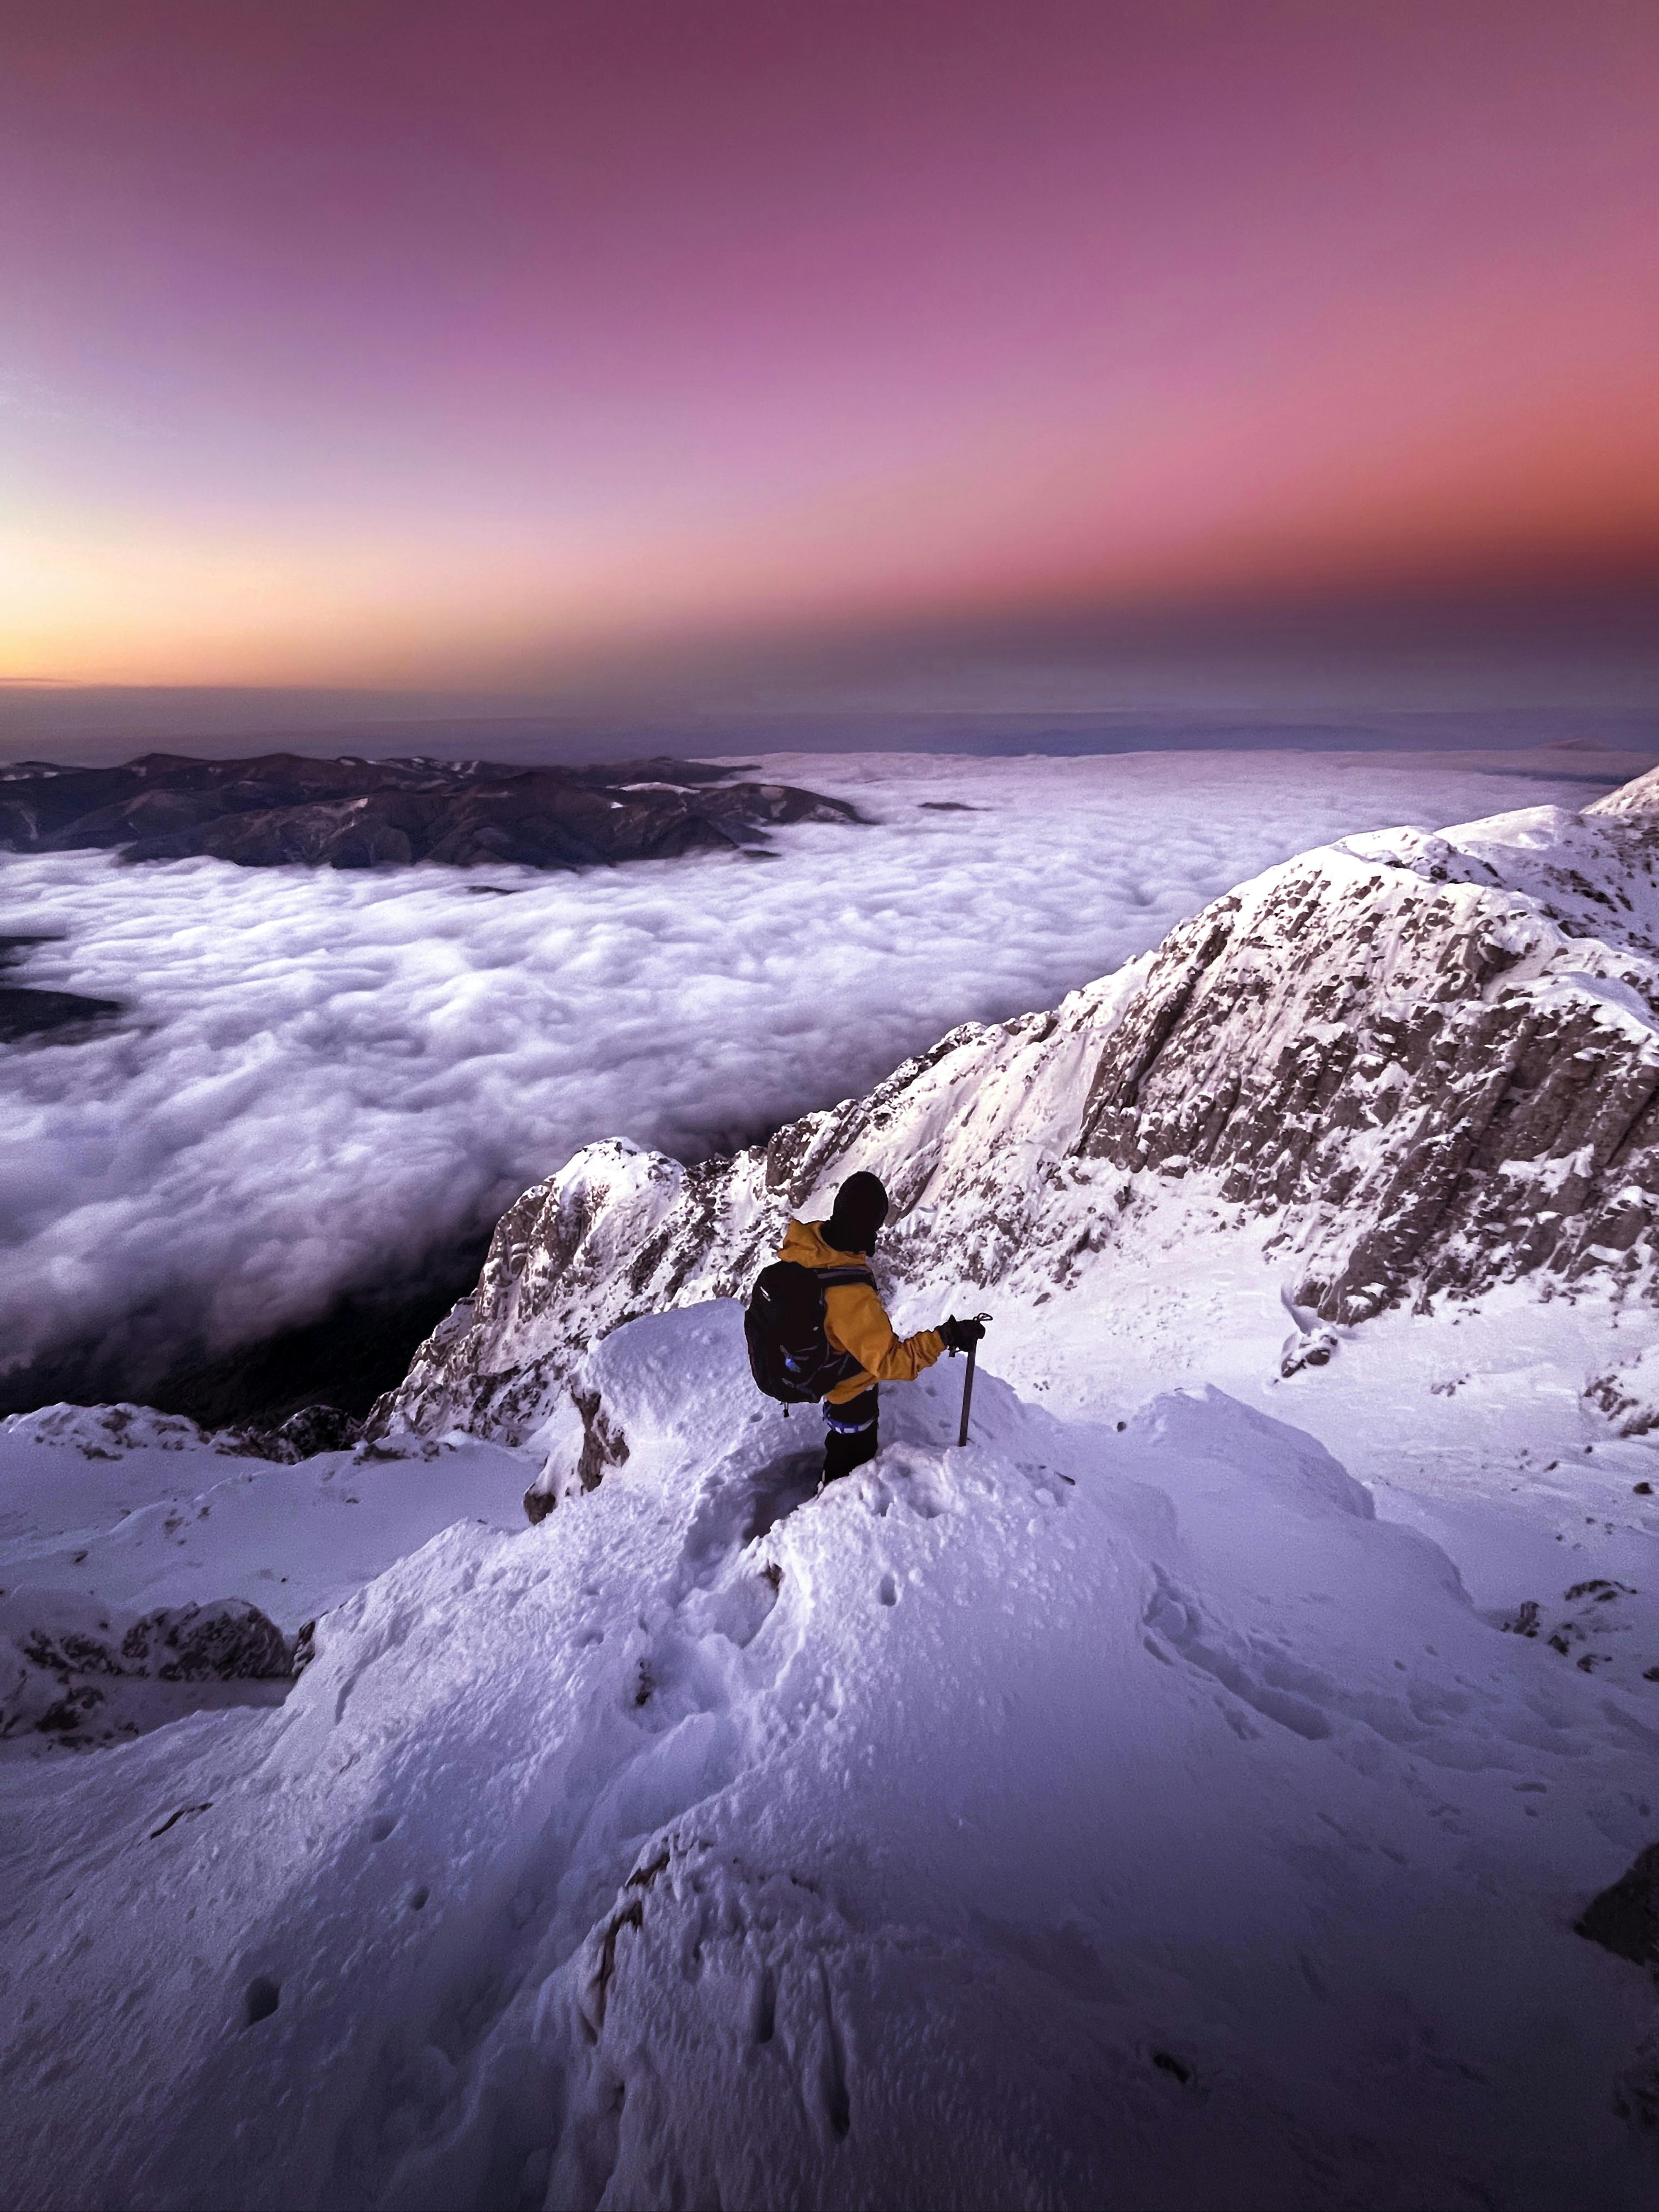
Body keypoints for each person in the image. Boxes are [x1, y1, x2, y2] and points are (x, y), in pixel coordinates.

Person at [776, 1170, 985, 1482]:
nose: (874, 1241)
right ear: (861, 1225)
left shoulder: (810, 1250)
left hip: (830, 1376)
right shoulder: (849, 1295)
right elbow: (892, 1362)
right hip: (852, 1396)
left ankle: (832, 1482)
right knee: (852, 1463)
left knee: (840, 1448)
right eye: (872, 1229)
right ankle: (835, 1505)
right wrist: (946, 1336)